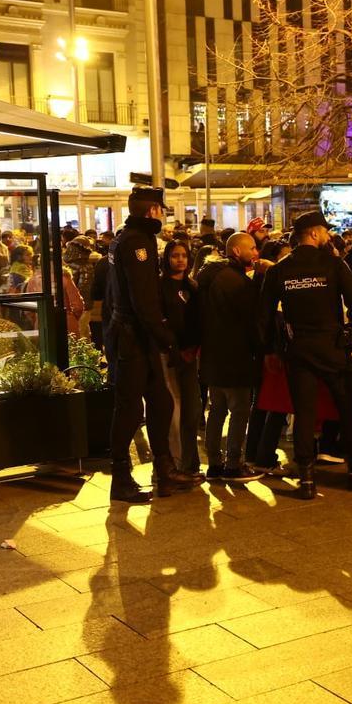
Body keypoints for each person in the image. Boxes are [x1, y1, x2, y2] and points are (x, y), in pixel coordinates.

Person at [260, 210, 352, 499]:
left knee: (304, 413)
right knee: (347, 408)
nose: (327, 235)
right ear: (314, 233)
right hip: (334, 347)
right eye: (324, 231)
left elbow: (263, 316)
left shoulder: (279, 270)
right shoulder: (333, 264)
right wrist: (350, 327)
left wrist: (271, 350)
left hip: (298, 349)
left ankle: (307, 478)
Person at [106, 187, 198, 502]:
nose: (164, 212)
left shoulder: (128, 237)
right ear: (152, 211)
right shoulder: (136, 242)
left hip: (133, 334)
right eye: (161, 208)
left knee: (161, 402)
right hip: (133, 337)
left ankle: (165, 470)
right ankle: (120, 477)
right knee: (129, 409)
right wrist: (167, 339)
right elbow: (143, 300)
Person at [196, 232, 261, 482]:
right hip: (236, 356)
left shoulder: (210, 277)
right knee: (239, 411)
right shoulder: (236, 281)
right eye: (252, 248)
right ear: (236, 251)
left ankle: (214, 463)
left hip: (213, 356)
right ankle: (234, 464)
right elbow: (249, 321)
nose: (256, 253)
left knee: (217, 411)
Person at [159, 240, 203, 476]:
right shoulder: (160, 286)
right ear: (167, 258)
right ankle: (173, 462)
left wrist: (194, 347)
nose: (180, 260)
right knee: (173, 410)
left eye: (184, 255)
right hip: (169, 355)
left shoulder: (193, 286)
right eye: (175, 255)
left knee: (192, 411)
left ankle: (191, 462)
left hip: (190, 355)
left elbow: (198, 321)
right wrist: (175, 348)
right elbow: (160, 321)